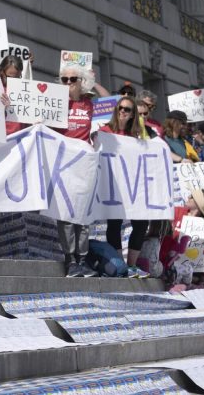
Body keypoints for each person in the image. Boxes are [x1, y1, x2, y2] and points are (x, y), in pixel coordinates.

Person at [99, 97, 150, 279]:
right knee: (115, 223)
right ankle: (120, 264)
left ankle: (132, 265)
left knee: (141, 222)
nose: (122, 111)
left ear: (132, 114)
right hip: (113, 183)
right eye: (120, 108)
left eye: (127, 109)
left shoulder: (136, 136)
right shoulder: (105, 130)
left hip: (132, 185)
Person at [54, 63, 97, 277]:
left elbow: (113, 105)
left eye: (73, 79)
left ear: (82, 82)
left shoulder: (89, 104)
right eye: (65, 79)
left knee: (83, 215)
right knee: (66, 214)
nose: (69, 83)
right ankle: (70, 260)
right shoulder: (55, 103)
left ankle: (82, 259)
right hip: (64, 163)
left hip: (85, 164)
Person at [161, 188, 204, 291]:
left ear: (199, 204)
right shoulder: (176, 211)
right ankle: (188, 282)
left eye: (192, 197)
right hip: (171, 259)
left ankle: (200, 282)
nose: (188, 197)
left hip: (193, 265)